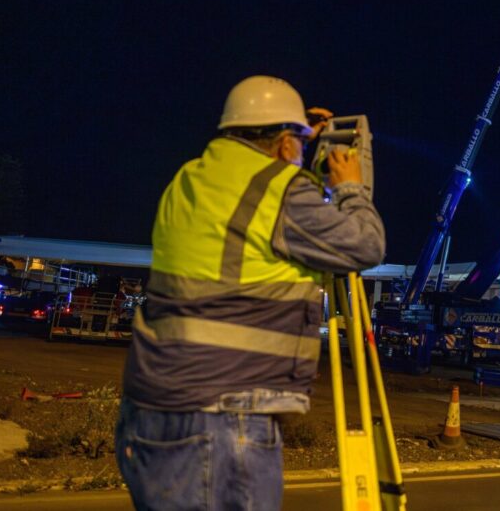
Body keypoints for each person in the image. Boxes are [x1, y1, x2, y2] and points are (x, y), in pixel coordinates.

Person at [115, 76, 385, 511]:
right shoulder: (282, 191)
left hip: (149, 410)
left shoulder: (189, 179)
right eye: (297, 143)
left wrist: (296, 138)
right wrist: (350, 186)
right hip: (223, 417)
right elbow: (365, 245)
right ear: (282, 144)